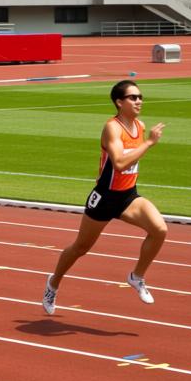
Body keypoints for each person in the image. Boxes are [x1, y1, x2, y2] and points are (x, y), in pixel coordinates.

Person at [42, 80, 167, 315]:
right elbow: (119, 163)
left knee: (160, 229)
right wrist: (150, 143)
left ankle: (136, 276)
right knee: (81, 247)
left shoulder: (139, 126)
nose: (139, 100)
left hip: (128, 196)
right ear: (119, 102)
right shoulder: (112, 127)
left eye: (140, 96)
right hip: (104, 197)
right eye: (133, 97)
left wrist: (145, 140)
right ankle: (53, 282)